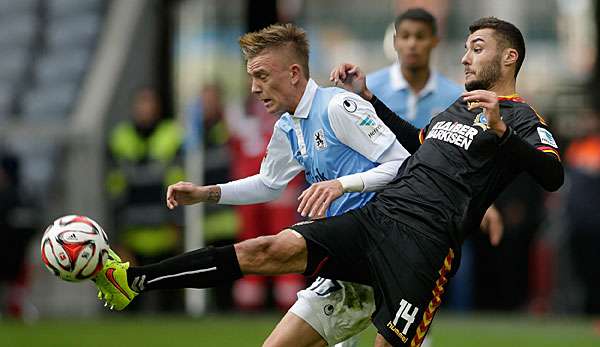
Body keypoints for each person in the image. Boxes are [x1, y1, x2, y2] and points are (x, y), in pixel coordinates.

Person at [95, 18, 563, 346]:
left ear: (508, 56)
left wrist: (503, 132)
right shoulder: (461, 108)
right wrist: (370, 98)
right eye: (464, 48)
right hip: (379, 218)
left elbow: (552, 174)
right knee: (267, 248)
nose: (464, 58)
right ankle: (134, 279)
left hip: (425, 246)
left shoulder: (521, 118)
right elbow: (417, 145)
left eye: (476, 48)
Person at [104, 24, 411, 346]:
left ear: (294, 73)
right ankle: (134, 280)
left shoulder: (337, 107)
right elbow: (269, 183)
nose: (253, 88)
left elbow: (402, 164)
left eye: (262, 75)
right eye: (252, 77)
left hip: (384, 252)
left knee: (265, 249)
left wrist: (342, 185)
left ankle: (136, 279)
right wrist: (207, 193)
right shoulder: (288, 126)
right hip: (342, 265)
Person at [367, 8, 502, 311]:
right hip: (377, 203)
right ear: (396, 42)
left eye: (420, 37)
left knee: (443, 277)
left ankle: (446, 327)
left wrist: (487, 203)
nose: (412, 44)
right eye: (405, 37)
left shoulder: (456, 96)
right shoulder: (369, 90)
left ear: (434, 41)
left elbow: (471, 154)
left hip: (435, 209)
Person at [105, 87, 185, 312]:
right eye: (142, 103)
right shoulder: (119, 138)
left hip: (164, 232)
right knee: (130, 298)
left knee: (168, 299)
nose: (145, 109)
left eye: (150, 103)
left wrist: (177, 224)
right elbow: (114, 190)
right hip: (132, 233)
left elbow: (178, 184)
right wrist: (117, 233)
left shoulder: (172, 134)